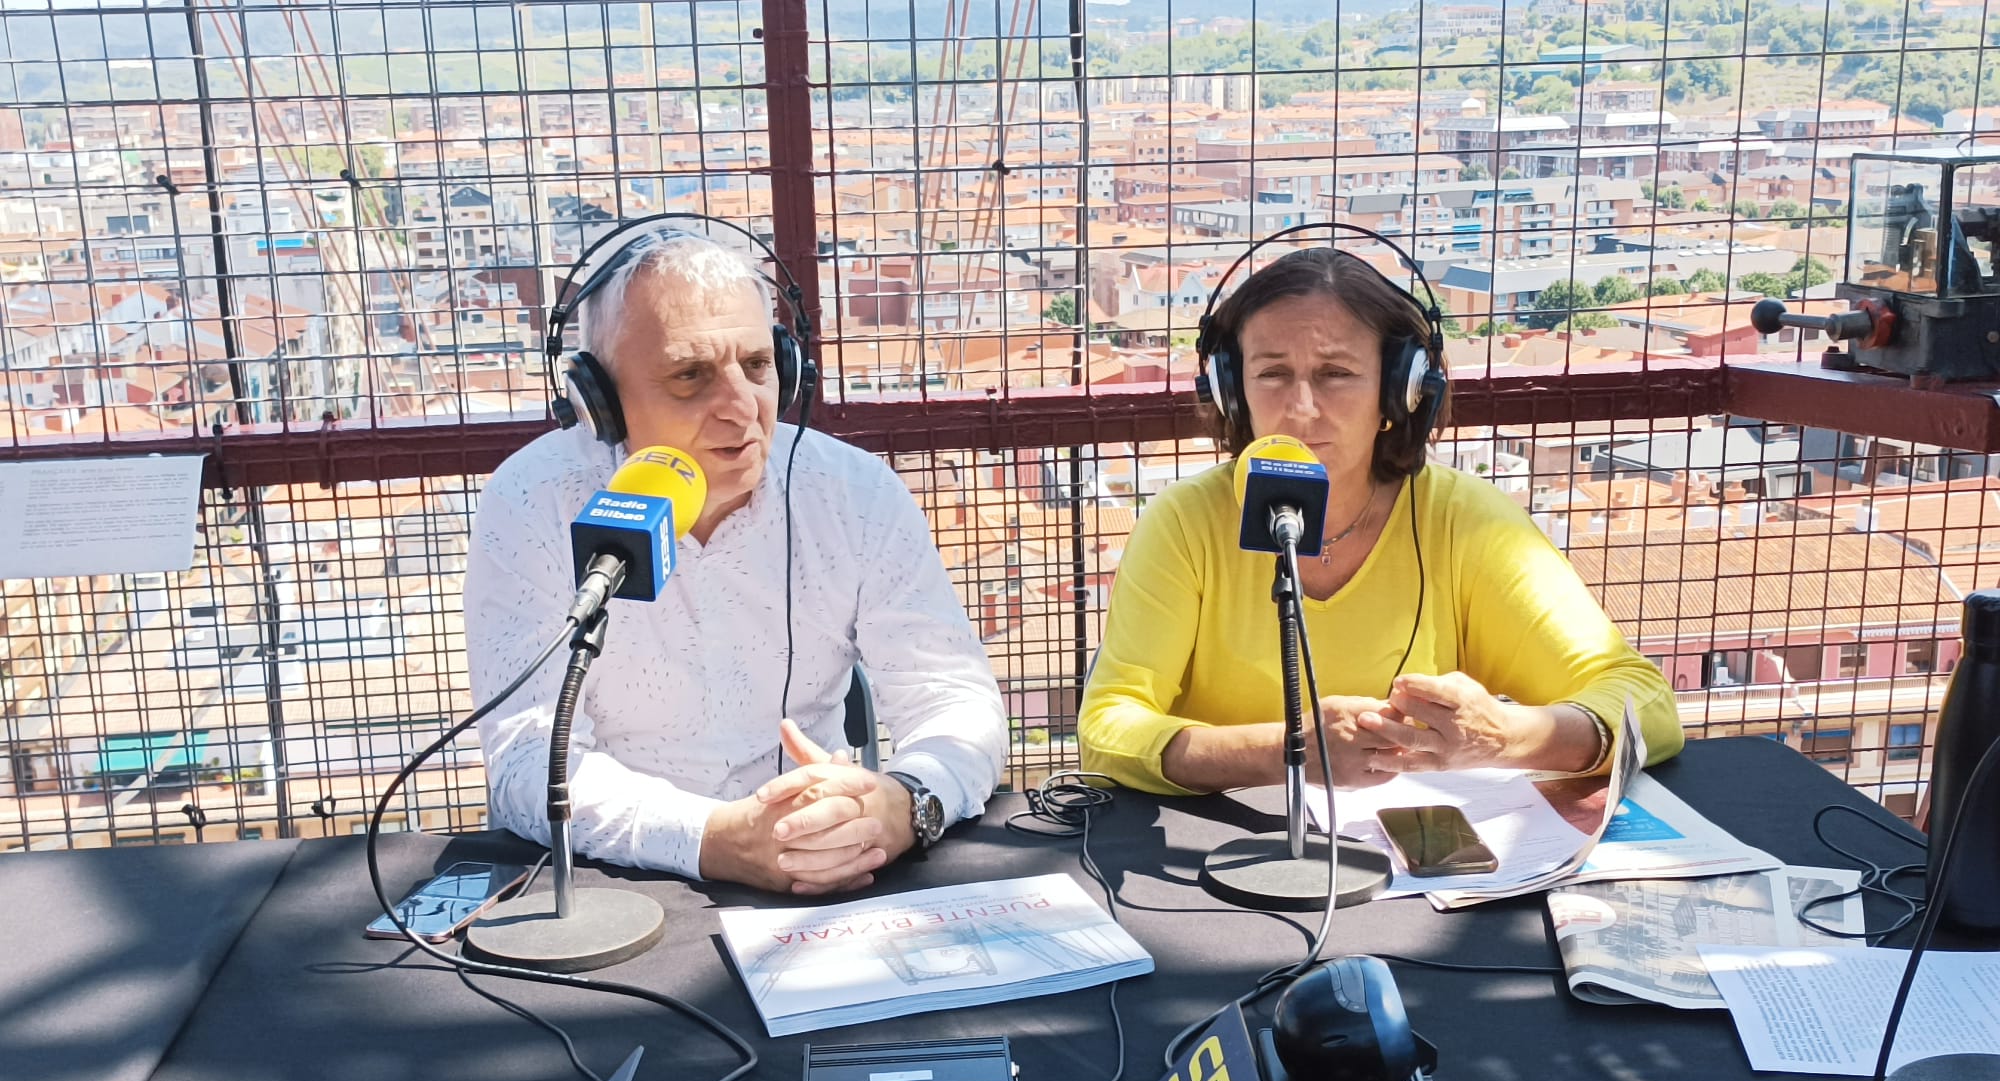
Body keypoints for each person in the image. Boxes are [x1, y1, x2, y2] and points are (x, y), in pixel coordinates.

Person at [466, 232, 1008, 894]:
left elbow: (954, 698)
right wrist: (714, 837)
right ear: (597, 400)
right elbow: (529, 760)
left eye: (757, 364)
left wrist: (906, 803)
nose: (741, 405)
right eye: (691, 375)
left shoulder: (852, 492)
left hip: (820, 860)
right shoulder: (531, 500)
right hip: (613, 885)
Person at [1079, 247, 1681, 795]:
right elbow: (1107, 732)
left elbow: (1645, 703)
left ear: (1401, 393)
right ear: (1231, 391)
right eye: (1271, 374)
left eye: (1336, 374)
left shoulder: (1466, 522)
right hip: (1220, 862)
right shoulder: (1184, 523)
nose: (1302, 408)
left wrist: (1509, 736)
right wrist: (1286, 752)